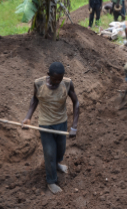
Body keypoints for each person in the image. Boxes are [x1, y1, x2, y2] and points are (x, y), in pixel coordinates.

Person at [21, 62, 80, 194]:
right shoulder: (39, 84)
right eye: (55, 79)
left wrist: (74, 126)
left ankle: (58, 163)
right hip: (45, 124)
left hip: (61, 122)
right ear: (48, 75)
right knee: (49, 153)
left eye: (60, 78)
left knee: (61, 149)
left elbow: (76, 103)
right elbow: (35, 99)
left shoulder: (67, 83)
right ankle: (51, 180)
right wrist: (28, 117)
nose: (58, 81)